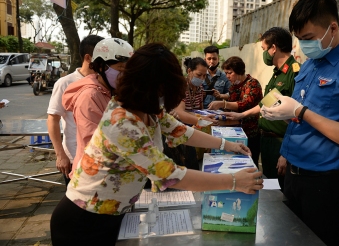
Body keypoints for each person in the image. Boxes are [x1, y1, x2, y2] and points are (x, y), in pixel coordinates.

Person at [50, 43, 263, 245]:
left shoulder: (148, 107)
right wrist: (233, 181)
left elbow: (181, 131)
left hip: (112, 212)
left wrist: (228, 145)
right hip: (83, 220)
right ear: (157, 86)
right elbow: (168, 174)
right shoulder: (122, 122)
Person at [261, 0, 339, 246]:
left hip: (324, 185)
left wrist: (300, 112)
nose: (304, 45)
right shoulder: (310, 65)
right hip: (293, 176)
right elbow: (301, 122)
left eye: (308, 38)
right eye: (300, 39)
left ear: (333, 27)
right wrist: (285, 128)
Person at [222, 28, 300, 190]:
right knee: (270, 184)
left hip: (281, 142)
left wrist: (286, 153)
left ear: (274, 48)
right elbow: (266, 103)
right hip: (267, 140)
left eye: (264, 49)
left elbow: (298, 119)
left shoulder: (294, 72)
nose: (264, 53)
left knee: (282, 189)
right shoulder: (277, 74)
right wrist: (241, 114)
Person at [62, 38, 134, 179]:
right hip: (92, 176)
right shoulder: (89, 96)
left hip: (111, 173)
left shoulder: (114, 93)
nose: (125, 74)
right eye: (121, 68)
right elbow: (94, 143)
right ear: (101, 66)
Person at [47, 35, 104, 186]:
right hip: (74, 156)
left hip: (101, 157)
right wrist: (61, 154)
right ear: (88, 57)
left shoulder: (105, 82)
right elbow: (53, 119)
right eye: (103, 57)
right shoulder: (65, 83)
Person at [208, 56, 263, 167]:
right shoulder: (233, 85)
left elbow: (244, 104)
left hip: (249, 133)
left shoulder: (252, 84)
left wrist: (222, 103)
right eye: (226, 73)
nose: (227, 76)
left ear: (239, 71)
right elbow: (231, 103)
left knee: (249, 164)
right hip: (234, 132)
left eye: (230, 73)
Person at [173, 57, 217, 126]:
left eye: (204, 75)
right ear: (189, 71)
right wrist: (201, 120)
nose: (202, 78)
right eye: (199, 75)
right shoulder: (182, 87)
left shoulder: (200, 88)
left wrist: (204, 117)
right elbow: (179, 112)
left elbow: (200, 110)